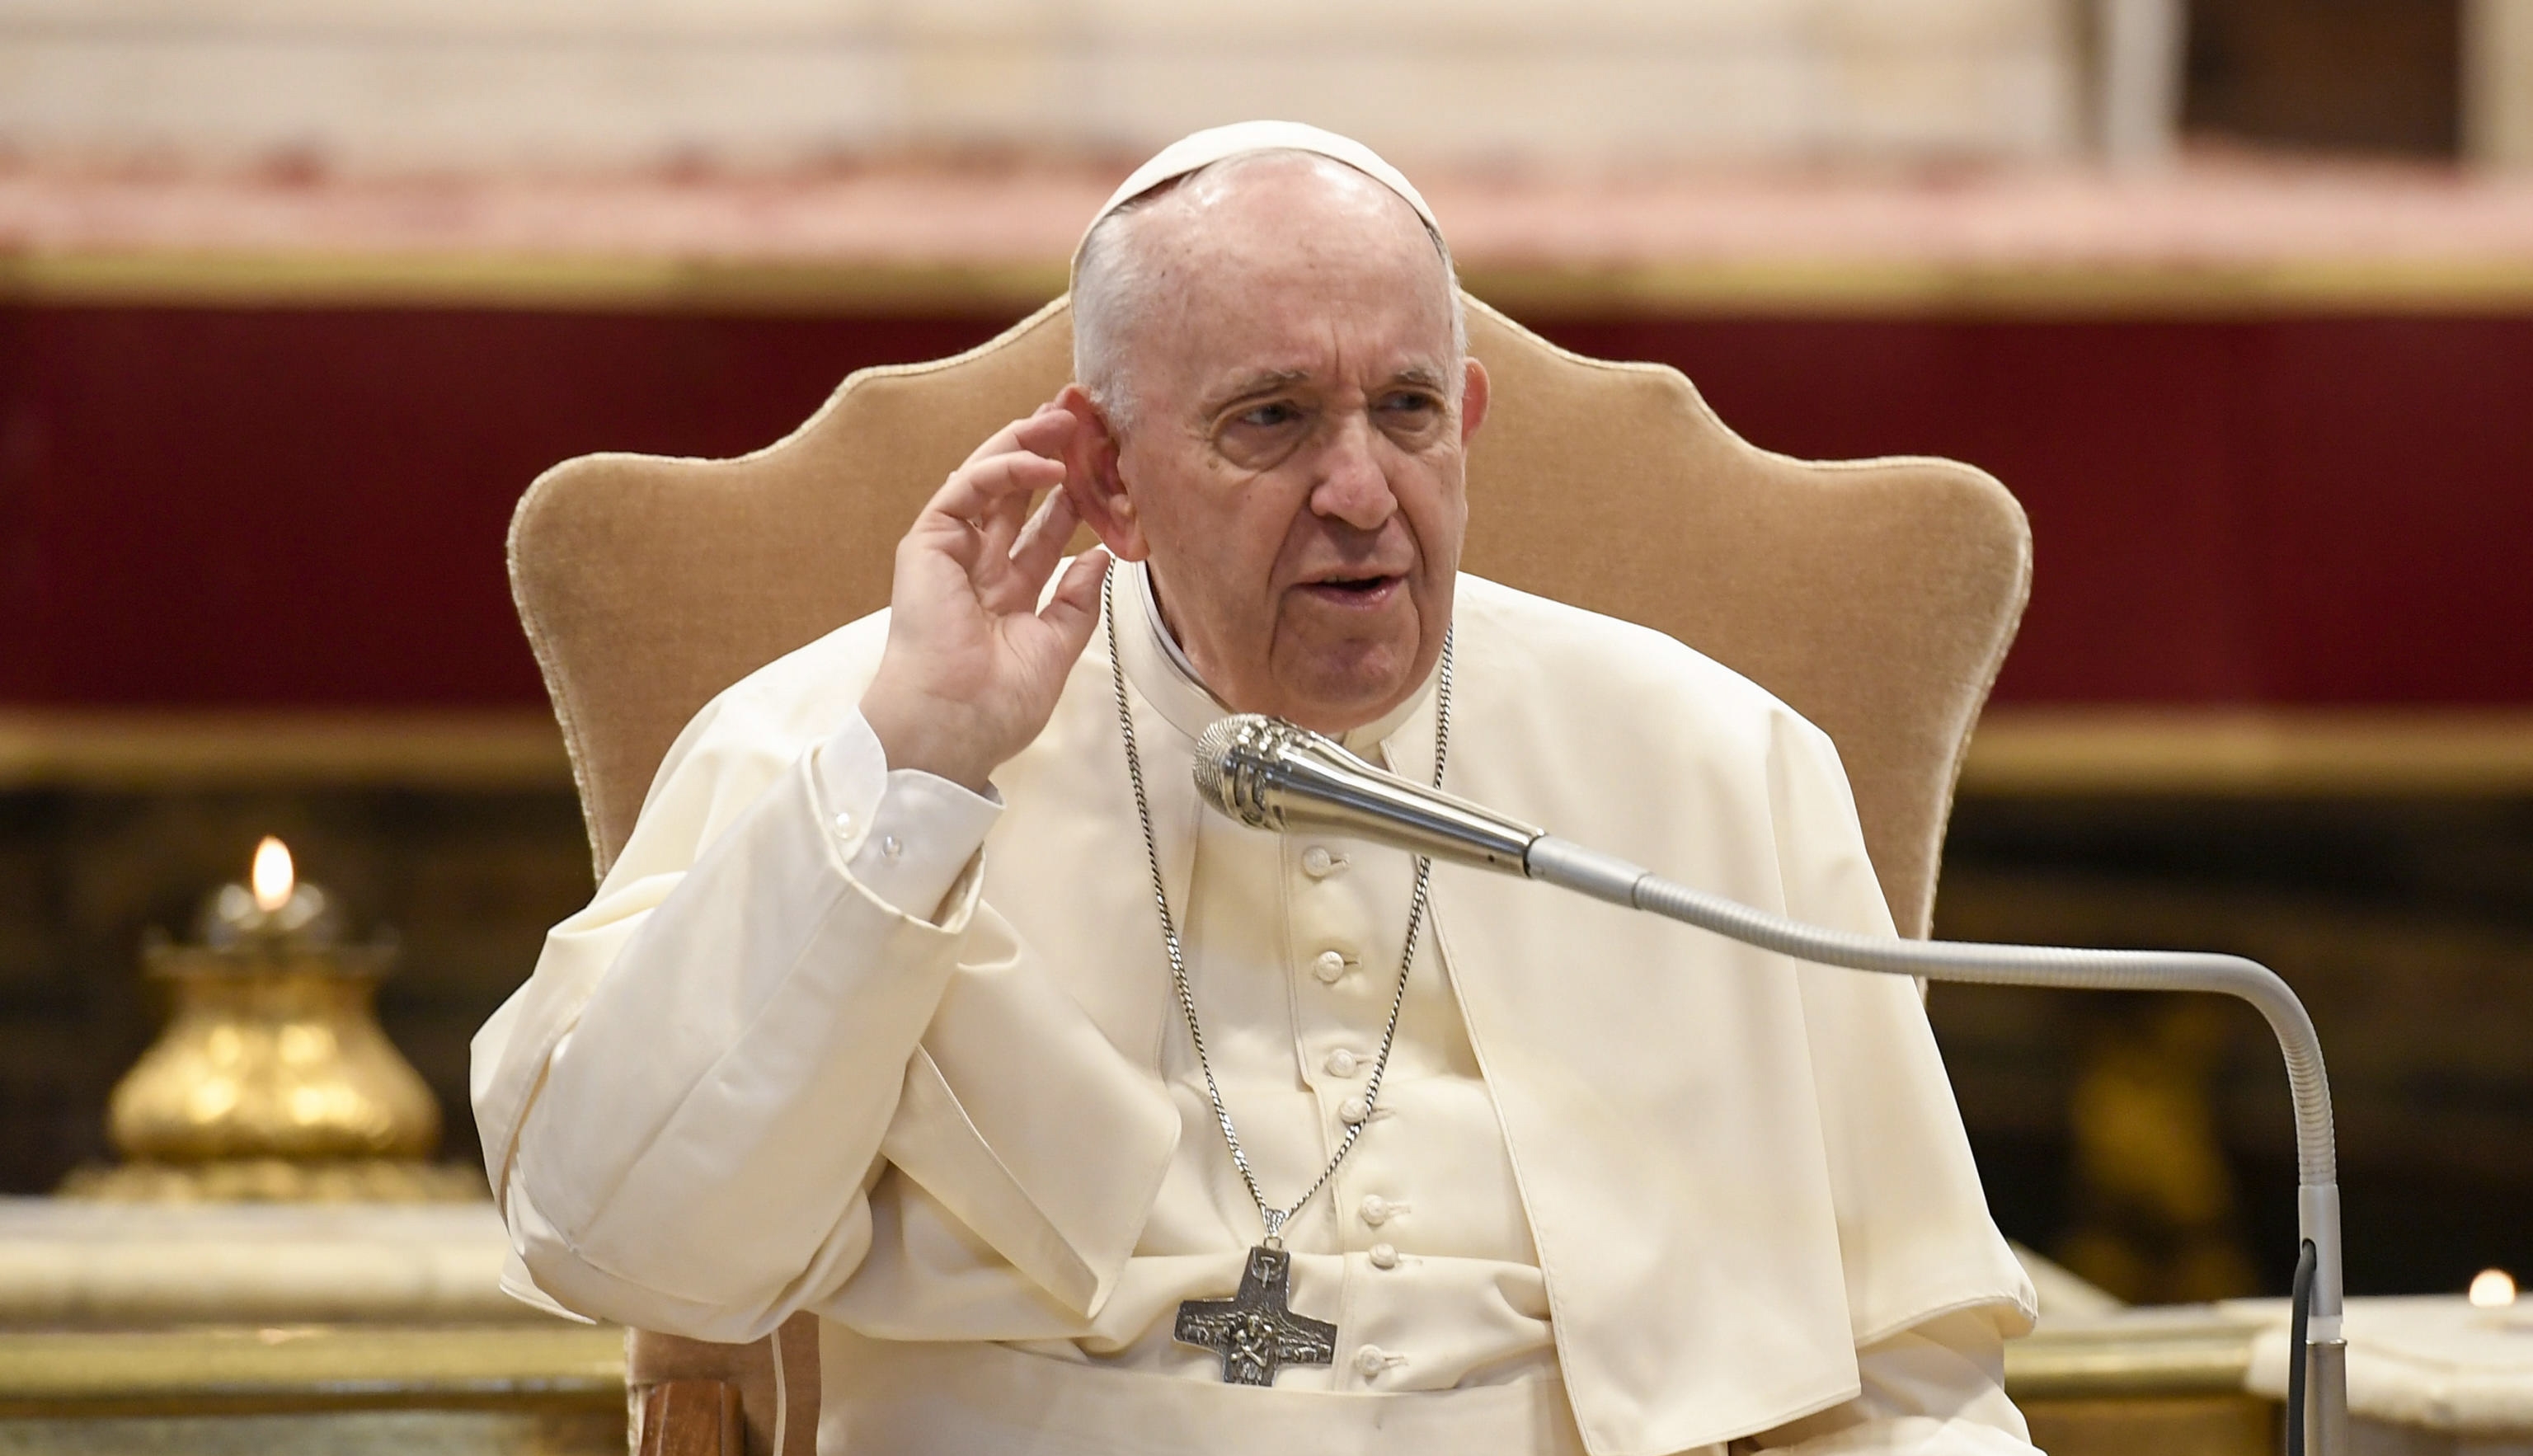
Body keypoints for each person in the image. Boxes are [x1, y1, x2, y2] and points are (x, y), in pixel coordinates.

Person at [472, 121, 2040, 1456]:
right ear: (1106, 474)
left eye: (1407, 412)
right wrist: (918, 781)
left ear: (1467, 422)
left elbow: (1909, 1379)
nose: (1361, 493)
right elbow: (622, 1242)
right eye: (1272, 420)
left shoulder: (1713, 764)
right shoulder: (849, 744)